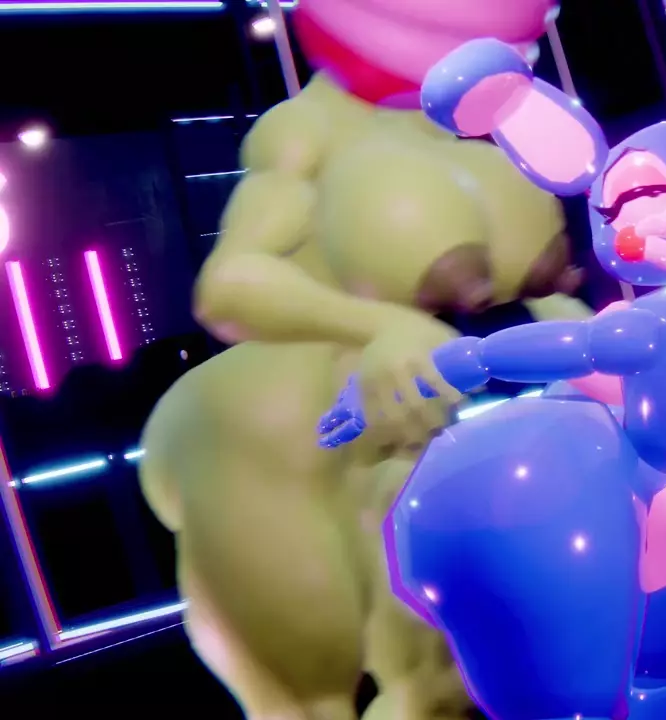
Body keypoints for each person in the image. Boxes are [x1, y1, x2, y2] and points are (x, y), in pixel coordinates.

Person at [138, 2, 586, 717]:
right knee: (318, 699)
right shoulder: (307, 131)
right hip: (281, 440)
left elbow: (543, 299)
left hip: (425, 438)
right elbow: (228, 284)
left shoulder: (485, 131)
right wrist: (383, 324)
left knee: (452, 686)